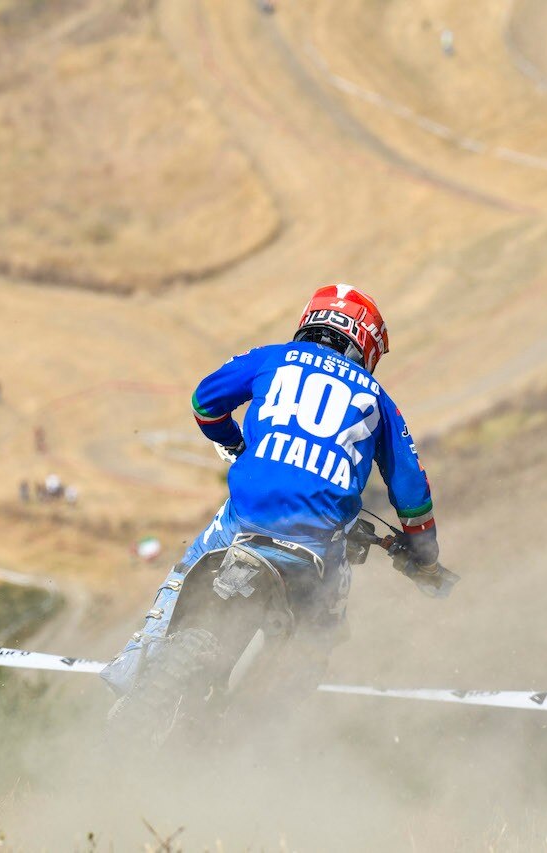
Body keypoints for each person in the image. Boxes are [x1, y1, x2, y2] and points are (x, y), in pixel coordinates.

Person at [101, 284, 442, 694]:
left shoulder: (271, 358)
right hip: (319, 543)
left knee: (187, 569)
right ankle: (280, 715)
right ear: (367, 344)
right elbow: (412, 491)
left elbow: (204, 402)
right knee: (322, 628)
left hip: (246, 520)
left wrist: (234, 444)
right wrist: (425, 556)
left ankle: (133, 671)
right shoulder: (378, 401)